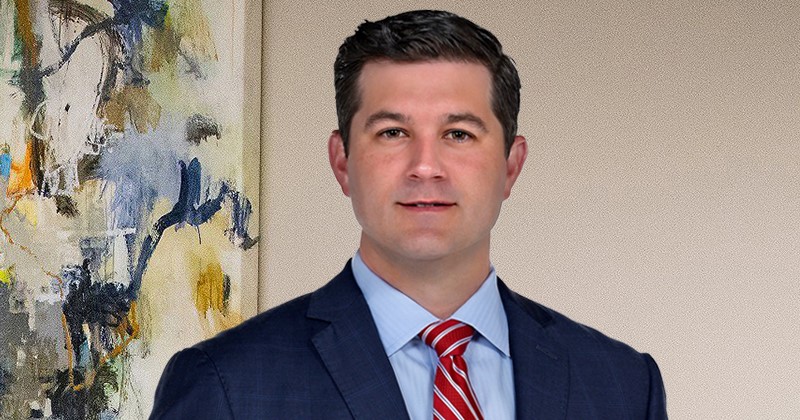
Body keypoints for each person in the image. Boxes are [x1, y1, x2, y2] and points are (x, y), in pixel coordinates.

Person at [150, 10, 667, 419]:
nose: (425, 166)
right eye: (392, 133)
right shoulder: (226, 384)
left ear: (511, 166)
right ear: (342, 162)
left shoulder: (623, 386)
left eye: (458, 134)